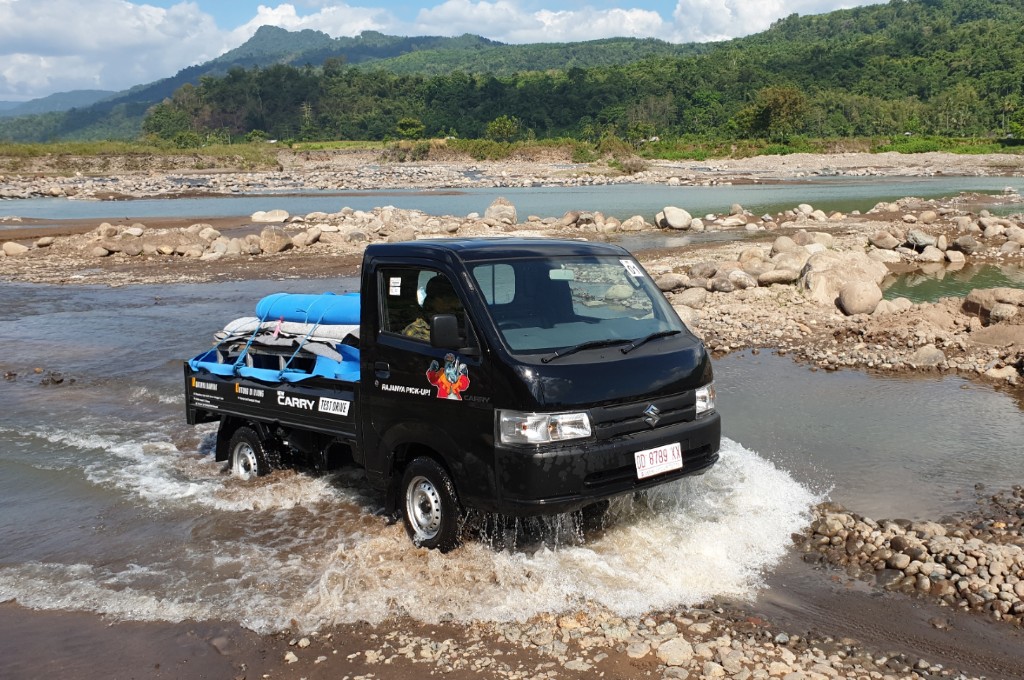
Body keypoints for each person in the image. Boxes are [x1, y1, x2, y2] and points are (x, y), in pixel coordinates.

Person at [403, 275, 462, 341]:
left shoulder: (463, 320)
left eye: (457, 300)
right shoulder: (416, 331)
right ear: (434, 300)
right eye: (449, 300)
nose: (455, 305)